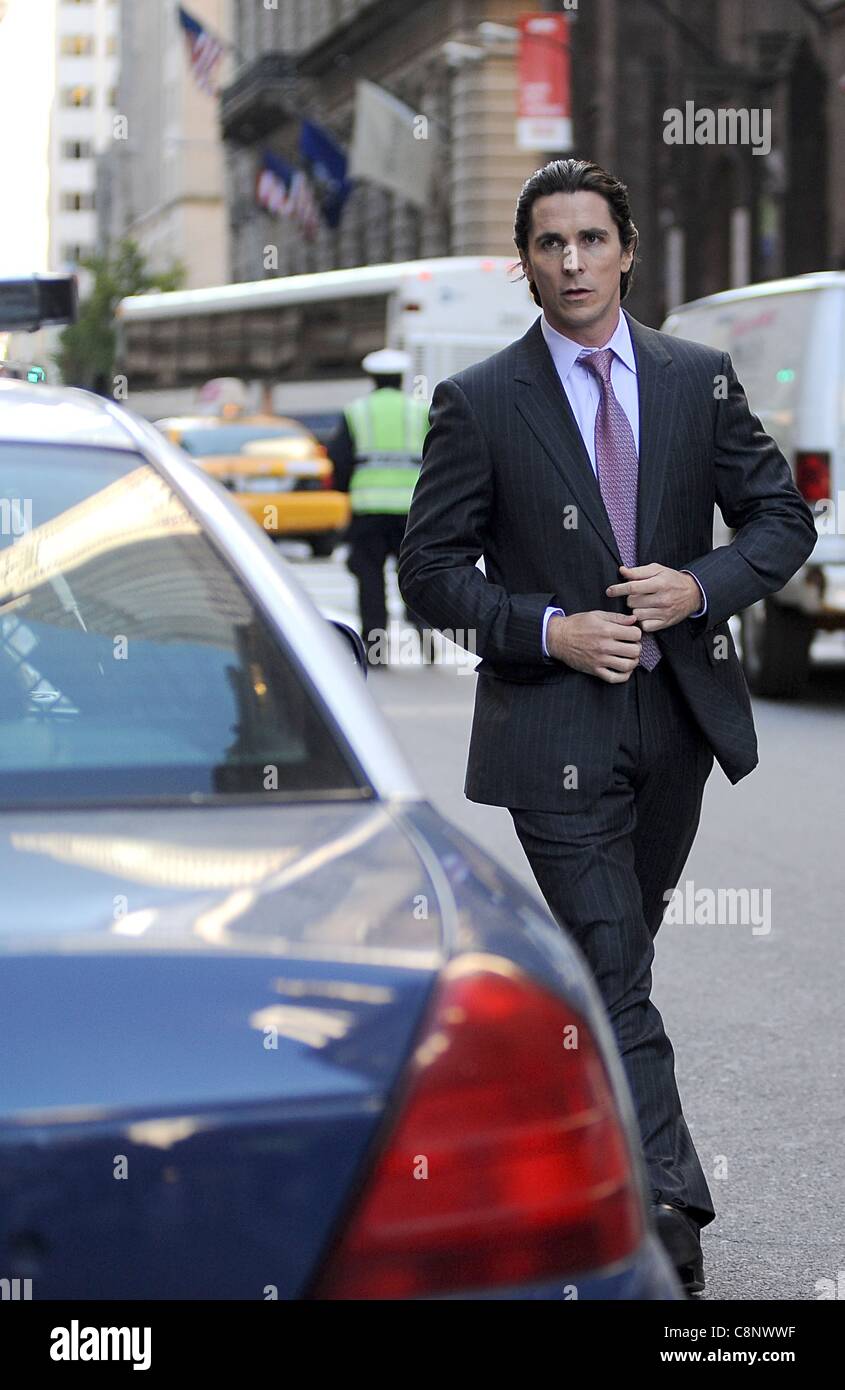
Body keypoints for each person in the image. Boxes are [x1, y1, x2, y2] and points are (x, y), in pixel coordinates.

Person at [398, 158, 816, 1295]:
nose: (572, 262)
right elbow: (427, 570)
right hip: (551, 733)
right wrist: (546, 628)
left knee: (608, 963)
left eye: (590, 240)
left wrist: (699, 586)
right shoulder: (480, 400)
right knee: (613, 964)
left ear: (625, 252)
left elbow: (781, 521)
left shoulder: (696, 379)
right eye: (549, 244)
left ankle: (569, 1142)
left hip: (676, 720)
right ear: (525, 262)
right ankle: (670, 1217)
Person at [328, 348, 431, 666]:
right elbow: (438, 456)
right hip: (412, 513)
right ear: (400, 379)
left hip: (368, 511)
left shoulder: (356, 411)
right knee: (416, 579)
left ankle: (375, 654)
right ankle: (427, 645)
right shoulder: (419, 410)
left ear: (371, 378)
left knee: (370, 582)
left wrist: (350, 488)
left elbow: (339, 459)